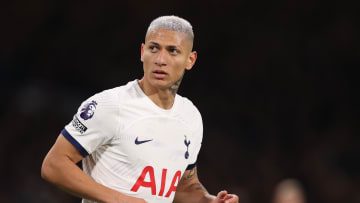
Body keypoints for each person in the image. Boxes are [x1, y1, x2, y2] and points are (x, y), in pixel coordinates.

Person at [41, 15, 239, 203]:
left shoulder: (191, 116)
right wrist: (120, 199)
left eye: (173, 51)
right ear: (142, 52)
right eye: (154, 48)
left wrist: (208, 200)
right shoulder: (110, 105)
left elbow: (184, 185)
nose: (160, 59)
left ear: (190, 60)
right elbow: (54, 164)